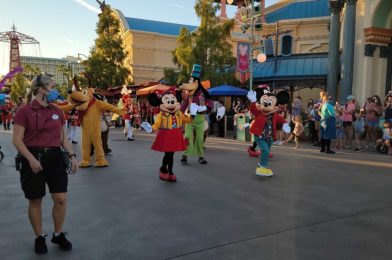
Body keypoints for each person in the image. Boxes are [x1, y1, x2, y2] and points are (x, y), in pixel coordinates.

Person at [12, 75, 78, 254]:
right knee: (35, 200)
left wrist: (72, 155)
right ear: (41, 89)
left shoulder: (58, 110)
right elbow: (17, 140)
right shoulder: (24, 111)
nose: (56, 90)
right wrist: (31, 159)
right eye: (52, 86)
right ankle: (39, 237)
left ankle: (58, 234)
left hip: (55, 158)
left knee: (61, 198)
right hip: (32, 157)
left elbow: (63, 138)